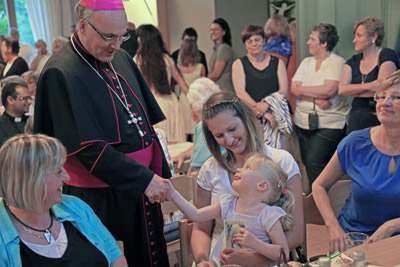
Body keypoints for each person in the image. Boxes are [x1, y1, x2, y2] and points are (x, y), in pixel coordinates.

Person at [34, 1, 172, 266]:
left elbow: (143, 124)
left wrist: (154, 174)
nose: (117, 45)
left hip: (140, 188)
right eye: (109, 36)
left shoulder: (118, 56)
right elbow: (87, 149)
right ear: (83, 25)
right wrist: (143, 178)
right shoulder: (59, 72)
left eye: (122, 36)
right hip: (101, 200)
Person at [191, 91, 303, 267]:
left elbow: (295, 234)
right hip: (219, 260)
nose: (228, 140)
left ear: (246, 119)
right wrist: (202, 260)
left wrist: (254, 259)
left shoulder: (281, 161)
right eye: (219, 136)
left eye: (232, 129)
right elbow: (201, 228)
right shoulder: (210, 169)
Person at [0, 134, 127, 266]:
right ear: (32, 181)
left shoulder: (75, 206)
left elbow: (115, 256)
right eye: (59, 171)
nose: (66, 178)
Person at [312, 70, 400, 254]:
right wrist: (333, 226)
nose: (385, 102)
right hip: (353, 242)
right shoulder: (355, 143)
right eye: (381, 96)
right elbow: (318, 185)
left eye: (396, 97)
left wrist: (392, 225)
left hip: (395, 246)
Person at [169, 153, 294, 266]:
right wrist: (173, 194)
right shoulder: (228, 203)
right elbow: (196, 215)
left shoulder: (269, 215)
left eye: (248, 168)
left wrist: (256, 244)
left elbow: (283, 254)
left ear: (262, 185)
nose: (238, 169)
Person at [291, 23, 350, 185]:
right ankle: (316, 200)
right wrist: (314, 98)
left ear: (324, 43)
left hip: (329, 124)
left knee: (314, 162)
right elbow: (294, 89)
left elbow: (329, 90)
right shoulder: (306, 62)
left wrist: (303, 91)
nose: (308, 42)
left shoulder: (337, 63)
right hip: (302, 123)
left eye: (312, 39)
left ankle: (319, 202)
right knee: (307, 163)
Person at [339, 16, 400, 134]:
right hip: (356, 119)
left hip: (380, 117)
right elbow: (342, 89)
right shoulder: (352, 61)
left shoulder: (387, 55)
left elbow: (383, 87)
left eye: (359, 35)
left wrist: (355, 90)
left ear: (373, 37)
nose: (354, 40)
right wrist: (372, 86)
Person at [232, 25, 289, 149]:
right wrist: (262, 113)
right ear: (245, 45)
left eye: (257, 39)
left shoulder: (278, 62)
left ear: (264, 41)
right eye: (249, 41)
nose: (254, 44)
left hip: (276, 116)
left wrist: (267, 105)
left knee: (277, 157)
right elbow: (241, 93)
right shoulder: (239, 64)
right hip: (251, 119)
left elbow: (284, 91)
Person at [135, 24, 188, 143]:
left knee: (163, 145)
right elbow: (182, 83)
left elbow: (136, 87)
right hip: (172, 103)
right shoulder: (167, 58)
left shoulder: (139, 59)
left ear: (143, 39)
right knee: (177, 145)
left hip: (155, 106)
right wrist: (194, 104)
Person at [172, 77, 223, 175]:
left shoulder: (204, 126)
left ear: (194, 107)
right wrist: (184, 154)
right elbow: (201, 147)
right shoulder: (224, 118)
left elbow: (196, 169)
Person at [177, 39, 206, 139]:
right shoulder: (201, 67)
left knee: (183, 129)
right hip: (197, 99)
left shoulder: (178, 68)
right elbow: (203, 84)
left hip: (183, 99)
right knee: (196, 128)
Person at [0, 78, 32, 144]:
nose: (30, 102)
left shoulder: (32, 122)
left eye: (29, 98)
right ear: (10, 100)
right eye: (25, 98)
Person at [208, 18, 234, 92]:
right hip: (217, 90)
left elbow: (216, 74)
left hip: (223, 91)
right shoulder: (216, 49)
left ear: (224, 32)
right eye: (211, 30)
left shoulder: (224, 48)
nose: (213, 32)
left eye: (216, 29)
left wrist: (202, 82)